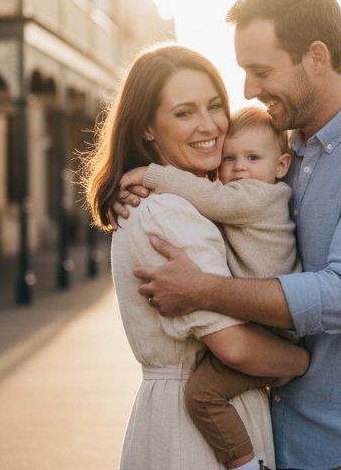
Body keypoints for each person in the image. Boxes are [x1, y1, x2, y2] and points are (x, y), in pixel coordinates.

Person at [126, 0, 341, 470]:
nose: (248, 89)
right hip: (281, 436)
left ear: (316, 57)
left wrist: (203, 290)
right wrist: (153, 189)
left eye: (260, 70)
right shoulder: (283, 151)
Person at [81, 44, 310, 470]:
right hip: (196, 435)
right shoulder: (170, 213)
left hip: (174, 416)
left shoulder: (164, 202)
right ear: (147, 128)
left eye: (215, 106)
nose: (210, 125)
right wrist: (300, 360)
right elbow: (235, 348)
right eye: (184, 112)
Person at [118, 106, 300, 469]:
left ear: (281, 166)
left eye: (252, 157)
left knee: (203, 395)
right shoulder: (172, 209)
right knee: (203, 394)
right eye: (230, 159)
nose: (239, 167)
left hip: (271, 328)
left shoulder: (259, 197)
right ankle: (246, 463)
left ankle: (244, 463)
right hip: (261, 334)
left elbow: (213, 199)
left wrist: (151, 176)